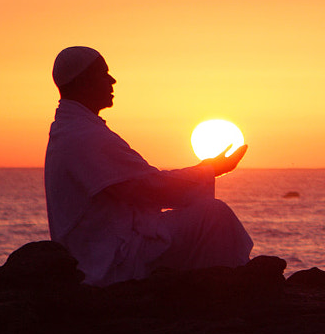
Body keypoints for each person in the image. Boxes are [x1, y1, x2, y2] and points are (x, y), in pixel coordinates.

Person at [44, 46, 253, 286]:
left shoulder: (70, 130)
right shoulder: (85, 135)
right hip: (108, 261)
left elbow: (142, 186)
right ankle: (221, 296)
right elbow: (149, 187)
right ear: (83, 83)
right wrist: (211, 169)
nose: (112, 80)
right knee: (214, 215)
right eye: (104, 74)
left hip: (107, 250)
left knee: (210, 215)